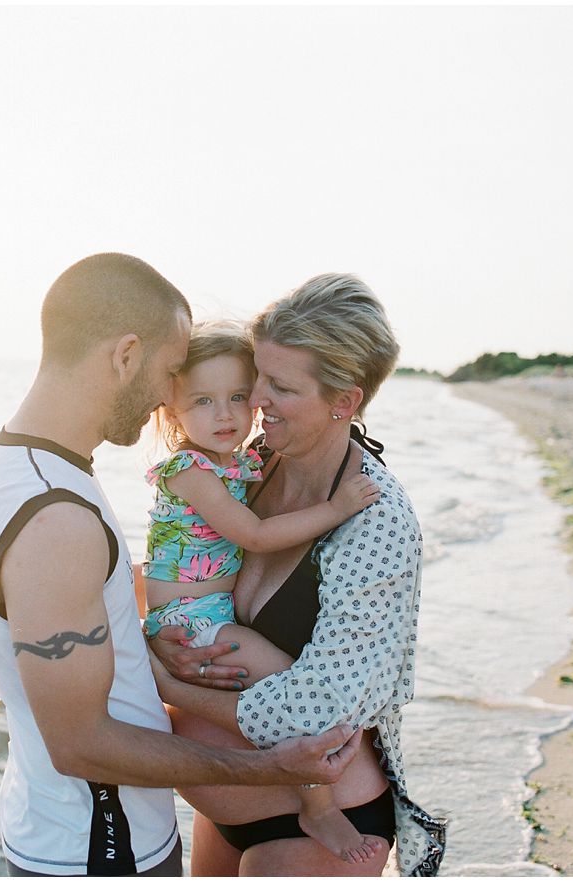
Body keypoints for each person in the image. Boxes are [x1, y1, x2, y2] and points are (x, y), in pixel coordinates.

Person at [0, 254, 363, 877]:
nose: (163, 401)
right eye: (172, 370)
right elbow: (81, 744)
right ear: (125, 357)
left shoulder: (34, 471)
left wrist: (149, 646)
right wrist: (271, 769)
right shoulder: (53, 518)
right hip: (99, 850)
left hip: (89, 835)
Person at [149, 273, 447, 877]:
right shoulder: (249, 468)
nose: (255, 398)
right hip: (232, 797)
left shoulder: (376, 524)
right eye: (257, 373)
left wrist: (167, 685)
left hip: (323, 820)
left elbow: (325, 707)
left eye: (280, 386)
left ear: (345, 401)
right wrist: (161, 637)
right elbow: (178, 572)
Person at [142, 319, 382, 863]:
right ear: (172, 410)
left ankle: (315, 804)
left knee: (291, 690)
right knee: (294, 690)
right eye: (203, 400)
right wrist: (335, 510)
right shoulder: (190, 470)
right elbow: (252, 534)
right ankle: (319, 808)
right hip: (194, 617)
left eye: (236, 396)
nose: (224, 414)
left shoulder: (241, 462)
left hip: (208, 608)